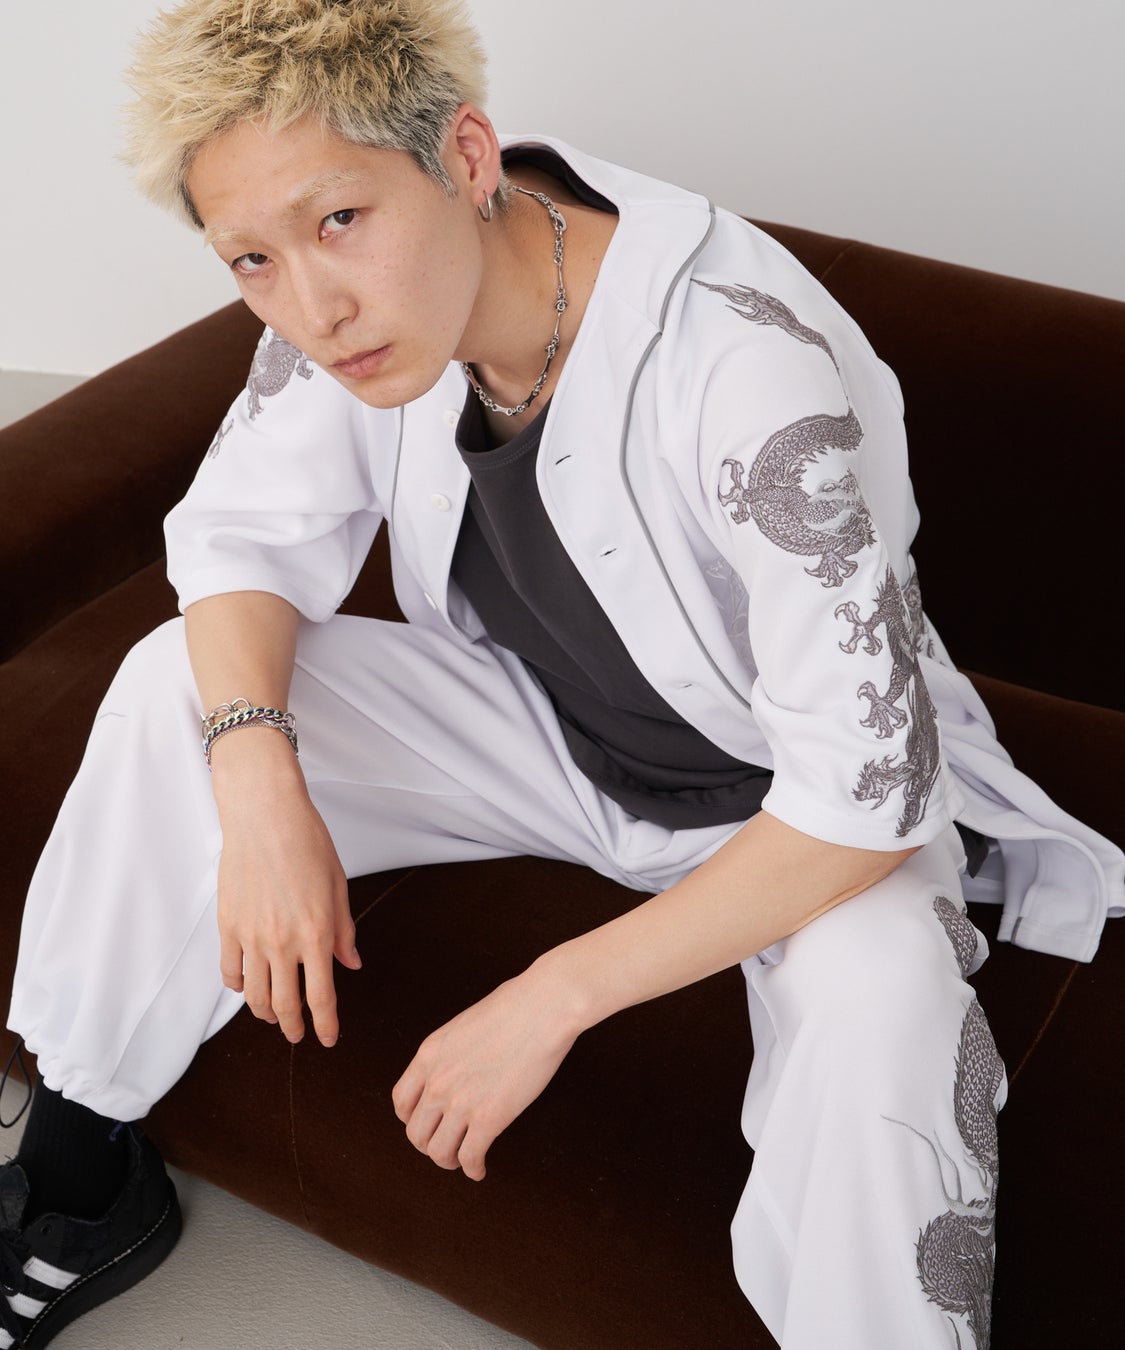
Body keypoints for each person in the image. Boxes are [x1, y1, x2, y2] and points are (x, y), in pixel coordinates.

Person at [1, 2, 1120, 1348]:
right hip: (538, 731)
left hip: (795, 810)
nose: (312, 305)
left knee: (887, 1018)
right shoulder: (352, 311)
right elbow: (243, 534)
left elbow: (863, 795)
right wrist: (259, 782)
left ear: (466, 156)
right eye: (253, 258)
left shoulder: (743, 360)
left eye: (339, 219)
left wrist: (554, 994)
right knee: (180, 684)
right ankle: (80, 1172)